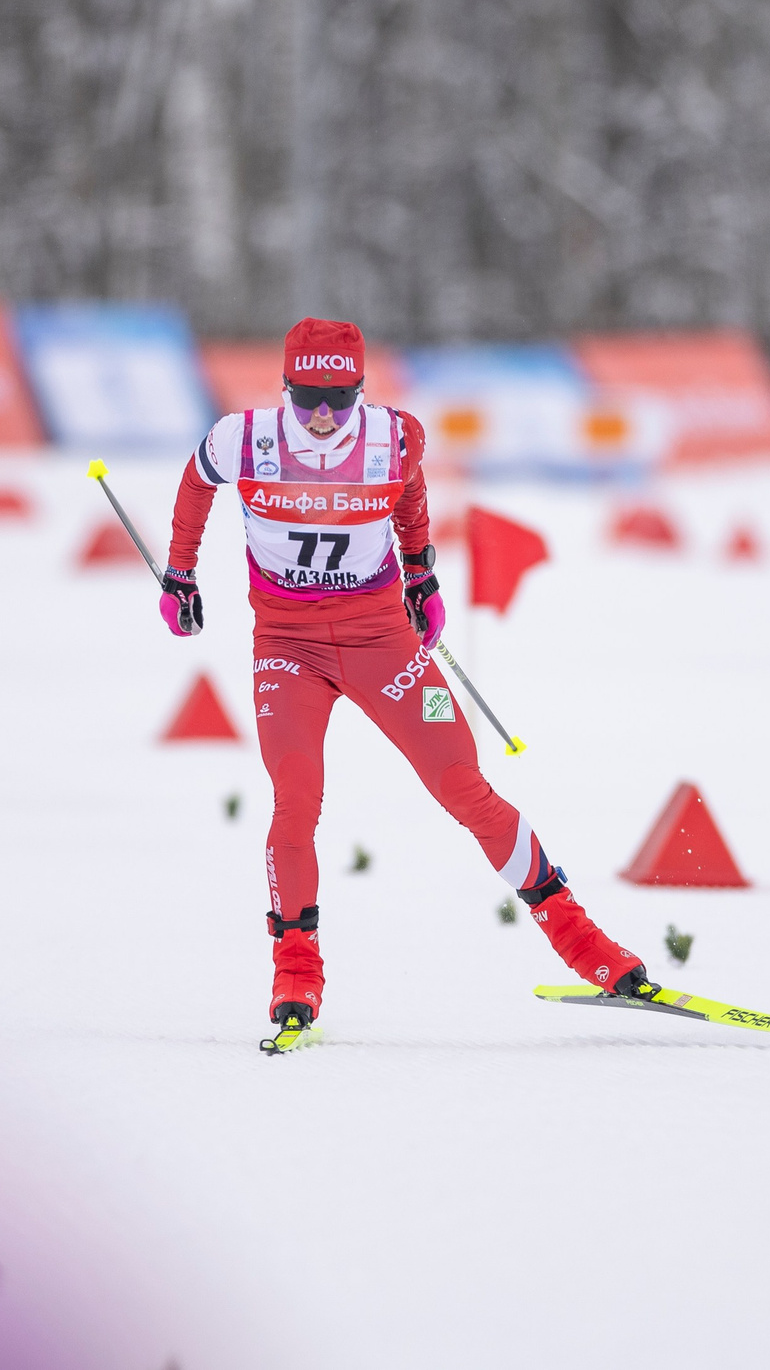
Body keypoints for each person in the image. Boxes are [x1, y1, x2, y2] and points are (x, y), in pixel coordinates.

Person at [160, 317, 646, 1046]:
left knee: (465, 786)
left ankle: (587, 946)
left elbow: (411, 491)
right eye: (307, 397)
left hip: (383, 642)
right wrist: (180, 570)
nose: (322, 416)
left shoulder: (394, 436)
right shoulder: (244, 438)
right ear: (285, 387)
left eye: (339, 398)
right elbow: (197, 481)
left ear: (360, 389)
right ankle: (296, 972)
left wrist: (421, 574)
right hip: (288, 648)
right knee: (296, 798)